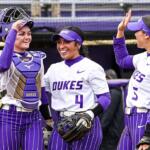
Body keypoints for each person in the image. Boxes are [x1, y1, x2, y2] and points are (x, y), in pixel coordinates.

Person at [43, 26, 111, 150]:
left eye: (67, 42)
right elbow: (43, 92)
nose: (61, 46)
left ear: (78, 44)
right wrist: (48, 119)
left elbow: (105, 98)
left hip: (86, 124)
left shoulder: (92, 67)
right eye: (59, 42)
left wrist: (89, 115)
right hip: (61, 124)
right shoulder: (53, 69)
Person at [0, 7, 50, 150]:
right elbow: (3, 65)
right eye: (21, 34)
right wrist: (13, 29)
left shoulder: (37, 58)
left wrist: (48, 118)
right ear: (8, 35)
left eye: (29, 33)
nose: (27, 37)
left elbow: (41, 90)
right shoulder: (2, 56)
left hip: (33, 117)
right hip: (9, 116)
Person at [113, 9, 150, 150]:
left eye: (138, 30)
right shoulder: (143, 57)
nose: (135, 34)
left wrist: (148, 135)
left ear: (146, 34)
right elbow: (122, 60)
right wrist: (120, 32)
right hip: (130, 119)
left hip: (144, 119)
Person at [99, 69, 124, 150]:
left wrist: (97, 133)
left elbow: (107, 118)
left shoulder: (114, 93)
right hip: (110, 135)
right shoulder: (116, 92)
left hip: (110, 135)